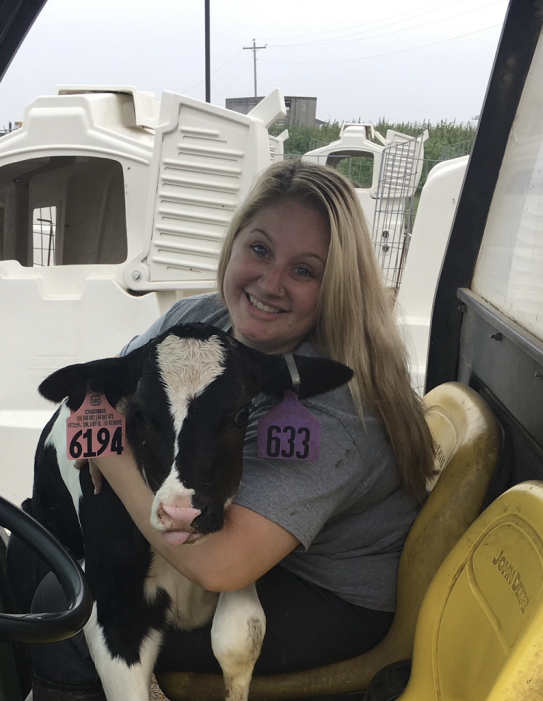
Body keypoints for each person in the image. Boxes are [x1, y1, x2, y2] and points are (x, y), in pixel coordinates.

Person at [25, 158, 435, 700]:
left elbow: (220, 564)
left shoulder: (332, 408)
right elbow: (123, 388)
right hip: (249, 549)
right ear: (234, 244)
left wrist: (103, 448)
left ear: (334, 287)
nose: (270, 283)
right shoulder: (200, 322)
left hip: (321, 591)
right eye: (260, 250)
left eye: (304, 270)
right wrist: (105, 415)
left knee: (63, 610)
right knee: (32, 544)